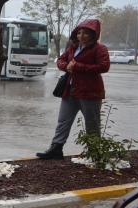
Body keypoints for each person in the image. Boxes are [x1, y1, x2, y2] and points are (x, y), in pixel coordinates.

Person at [36, 18, 110, 159]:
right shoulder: (73, 47)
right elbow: (61, 61)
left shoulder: (100, 49)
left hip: (89, 92)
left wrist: (78, 66)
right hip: (69, 90)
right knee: (63, 120)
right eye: (79, 32)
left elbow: (104, 66)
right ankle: (56, 148)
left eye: (85, 33)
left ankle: (94, 151)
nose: (81, 36)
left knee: (91, 123)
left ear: (93, 35)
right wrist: (66, 66)